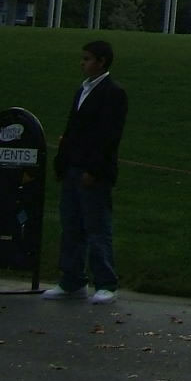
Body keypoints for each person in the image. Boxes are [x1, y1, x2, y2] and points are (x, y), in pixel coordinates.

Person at [42, 40, 128, 305]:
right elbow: (73, 128)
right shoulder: (83, 90)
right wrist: (62, 161)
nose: (82, 63)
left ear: (101, 61)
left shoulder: (113, 93)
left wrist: (94, 169)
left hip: (92, 170)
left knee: (97, 227)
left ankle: (106, 282)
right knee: (71, 225)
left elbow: (109, 136)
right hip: (73, 165)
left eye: (87, 59)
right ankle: (72, 279)